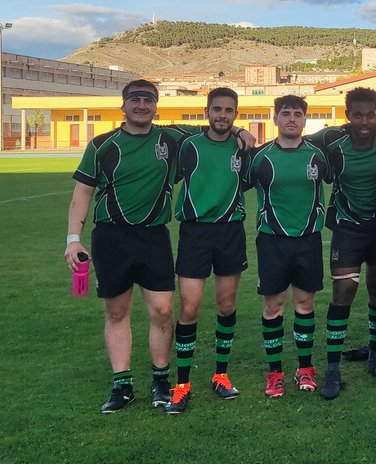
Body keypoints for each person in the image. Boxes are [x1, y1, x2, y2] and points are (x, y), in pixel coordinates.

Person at [63, 80, 253, 413]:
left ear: (156, 106)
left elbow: (213, 127)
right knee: (116, 312)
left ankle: (162, 381)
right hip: (111, 237)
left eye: (147, 100)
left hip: (154, 236)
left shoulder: (171, 138)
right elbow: (82, 193)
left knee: (164, 311)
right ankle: (122, 386)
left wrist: (239, 130)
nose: (141, 106)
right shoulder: (101, 145)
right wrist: (72, 238)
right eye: (134, 100)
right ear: (123, 106)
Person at [307, 88, 376, 397]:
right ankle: (333, 369)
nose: (364, 120)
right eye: (357, 114)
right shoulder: (332, 143)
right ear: (348, 116)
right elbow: (293, 143)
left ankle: (375, 357)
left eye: (370, 114)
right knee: (344, 290)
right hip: (347, 228)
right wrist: (243, 133)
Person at [165, 87, 250, 415]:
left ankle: (221, 374)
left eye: (229, 110)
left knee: (226, 305)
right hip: (195, 232)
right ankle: (182, 384)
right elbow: (166, 132)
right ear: (207, 111)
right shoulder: (189, 145)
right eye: (217, 109)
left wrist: (243, 134)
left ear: (235, 114)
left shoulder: (243, 148)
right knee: (189, 308)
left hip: (230, 231)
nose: (223, 115)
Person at [248, 95, 330, 399]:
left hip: (308, 239)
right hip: (272, 240)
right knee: (273, 306)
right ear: (275, 119)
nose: (292, 118)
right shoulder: (260, 157)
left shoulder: (317, 156)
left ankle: (305, 367)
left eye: (298, 113)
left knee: (305, 305)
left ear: (305, 120)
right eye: (286, 113)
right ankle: (275, 373)